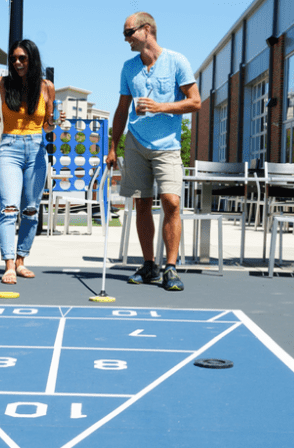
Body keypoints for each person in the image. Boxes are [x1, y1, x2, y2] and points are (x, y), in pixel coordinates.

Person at [106, 12, 201, 291]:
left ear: (146, 30)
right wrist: (113, 146)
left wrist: (161, 107)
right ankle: (150, 265)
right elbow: (122, 109)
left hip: (168, 146)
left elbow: (195, 102)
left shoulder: (177, 61)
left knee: (171, 202)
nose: (126, 39)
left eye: (129, 33)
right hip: (135, 144)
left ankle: (170, 267)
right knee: (142, 204)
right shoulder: (128, 67)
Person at [0, 39, 65, 285]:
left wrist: (55, 120)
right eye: (14, 58)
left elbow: (47, 126)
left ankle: (22, 260)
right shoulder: (4, 84)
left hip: (36, 148)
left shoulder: (47, 87)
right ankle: (8, 264)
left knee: (31, 210)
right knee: (9, 208)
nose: (17, 62)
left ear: (32, 60)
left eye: (22, 58)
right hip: (9, 149)